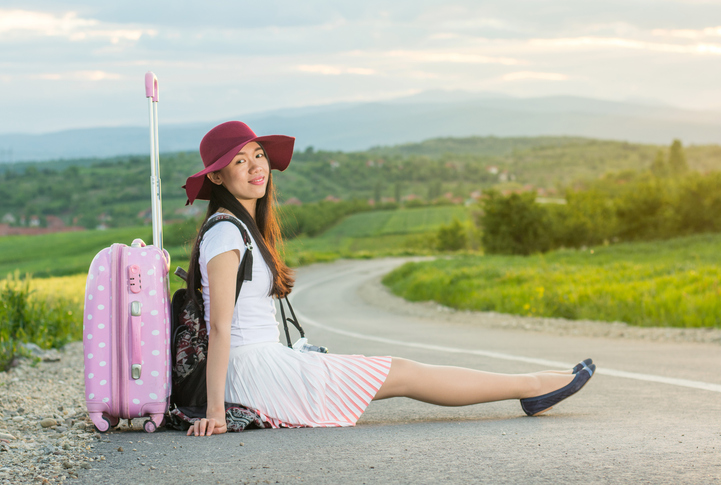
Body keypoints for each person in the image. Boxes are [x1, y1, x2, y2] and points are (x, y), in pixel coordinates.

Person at [182, 121, 595, 437]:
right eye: (239, 161)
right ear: (216, 178)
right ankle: (533, 386)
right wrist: (217, 414)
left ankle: (533, 384)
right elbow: (219, 327)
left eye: (257, 154)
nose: (256, 166)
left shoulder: (239, 227)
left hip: (264, 366)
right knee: (403, 373)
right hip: (256, 373)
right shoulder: (225, 233)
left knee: (402, 371)